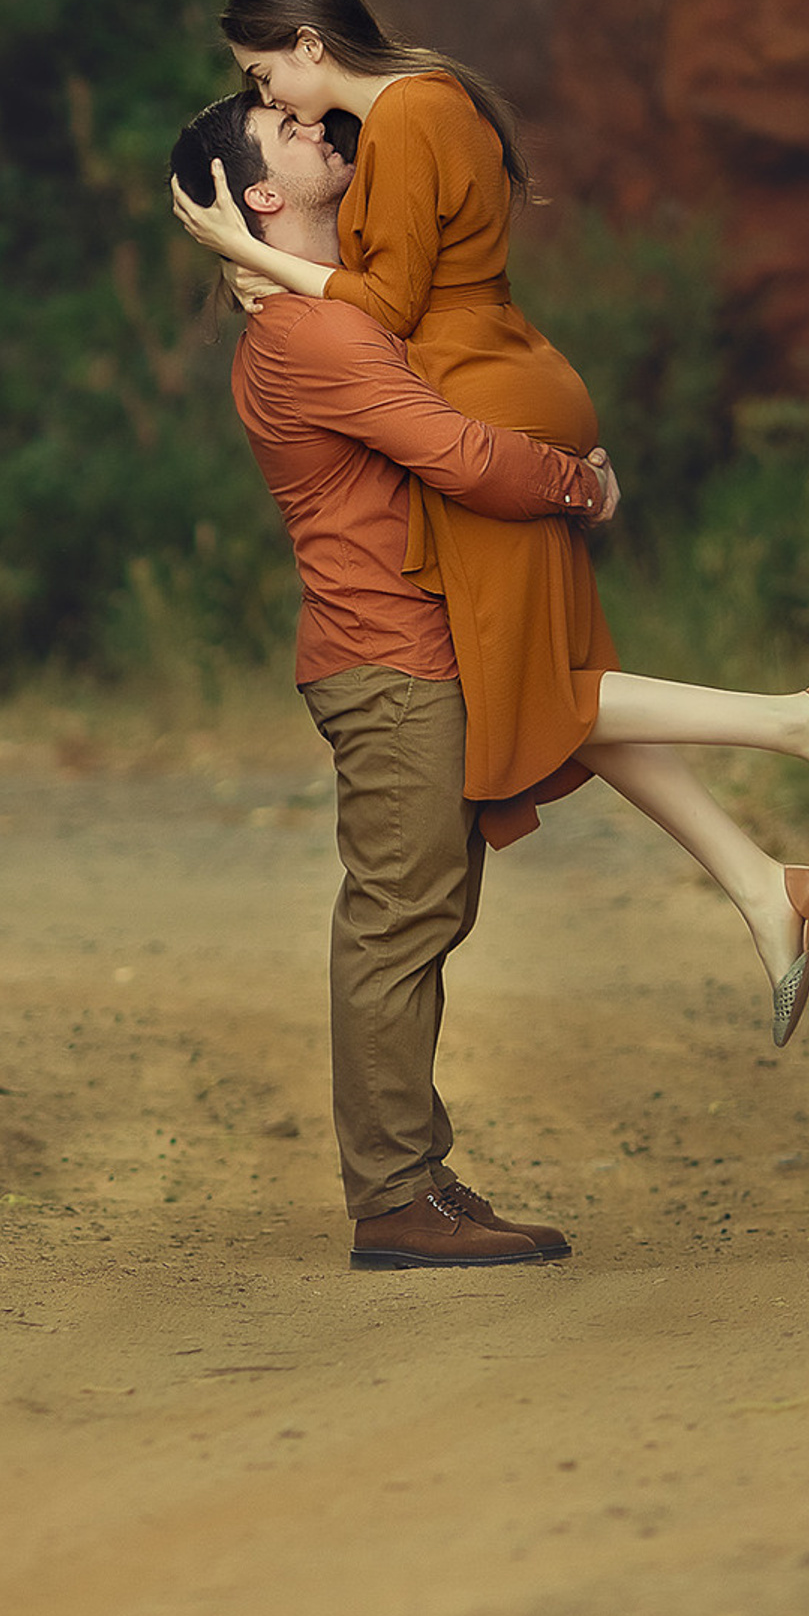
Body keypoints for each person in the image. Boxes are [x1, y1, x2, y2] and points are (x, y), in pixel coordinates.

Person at [170, 0, 809, 1050]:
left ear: (310, 45)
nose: (270, 97)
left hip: (482, 397)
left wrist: (241, 250)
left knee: (532, 690)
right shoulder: (419, 109)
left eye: (265, 75)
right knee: (548, 683)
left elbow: (384, 300)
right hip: (499, 374)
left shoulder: (409, 114)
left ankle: (799, 722)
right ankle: (761, 883)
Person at [171, 90, 608, 1268]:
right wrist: (576, 482)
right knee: (397, 921)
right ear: (257, 198)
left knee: (425, 915)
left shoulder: (343, 309)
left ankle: (416, 1173)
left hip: (411, 650)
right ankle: (392, 1200)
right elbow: (461, 456)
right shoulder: (310, 333)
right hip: (390, 661)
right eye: (286, 133)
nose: (316, 128)